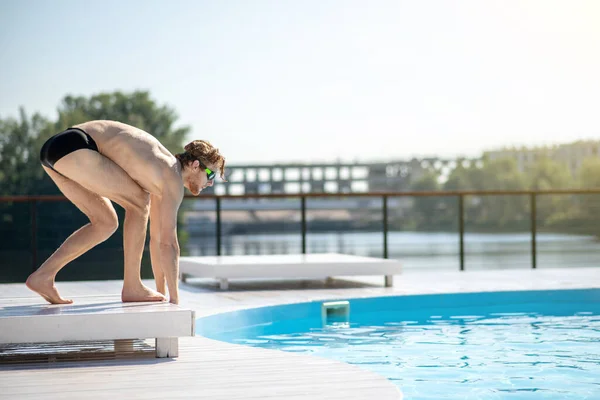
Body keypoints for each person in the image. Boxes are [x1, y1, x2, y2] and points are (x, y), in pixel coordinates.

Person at [26, 120, 226, 305]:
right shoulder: (172, 178)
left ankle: (43, 276)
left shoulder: (162, 177)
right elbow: (169, 244)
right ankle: (132, 286)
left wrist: (162, 293)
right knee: (139, 202)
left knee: (105, 222)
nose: (210, 182)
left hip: (56, 149)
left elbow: (157, 241)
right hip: (78, 146)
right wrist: (176, 302)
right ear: (195, 165)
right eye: (210, 174)